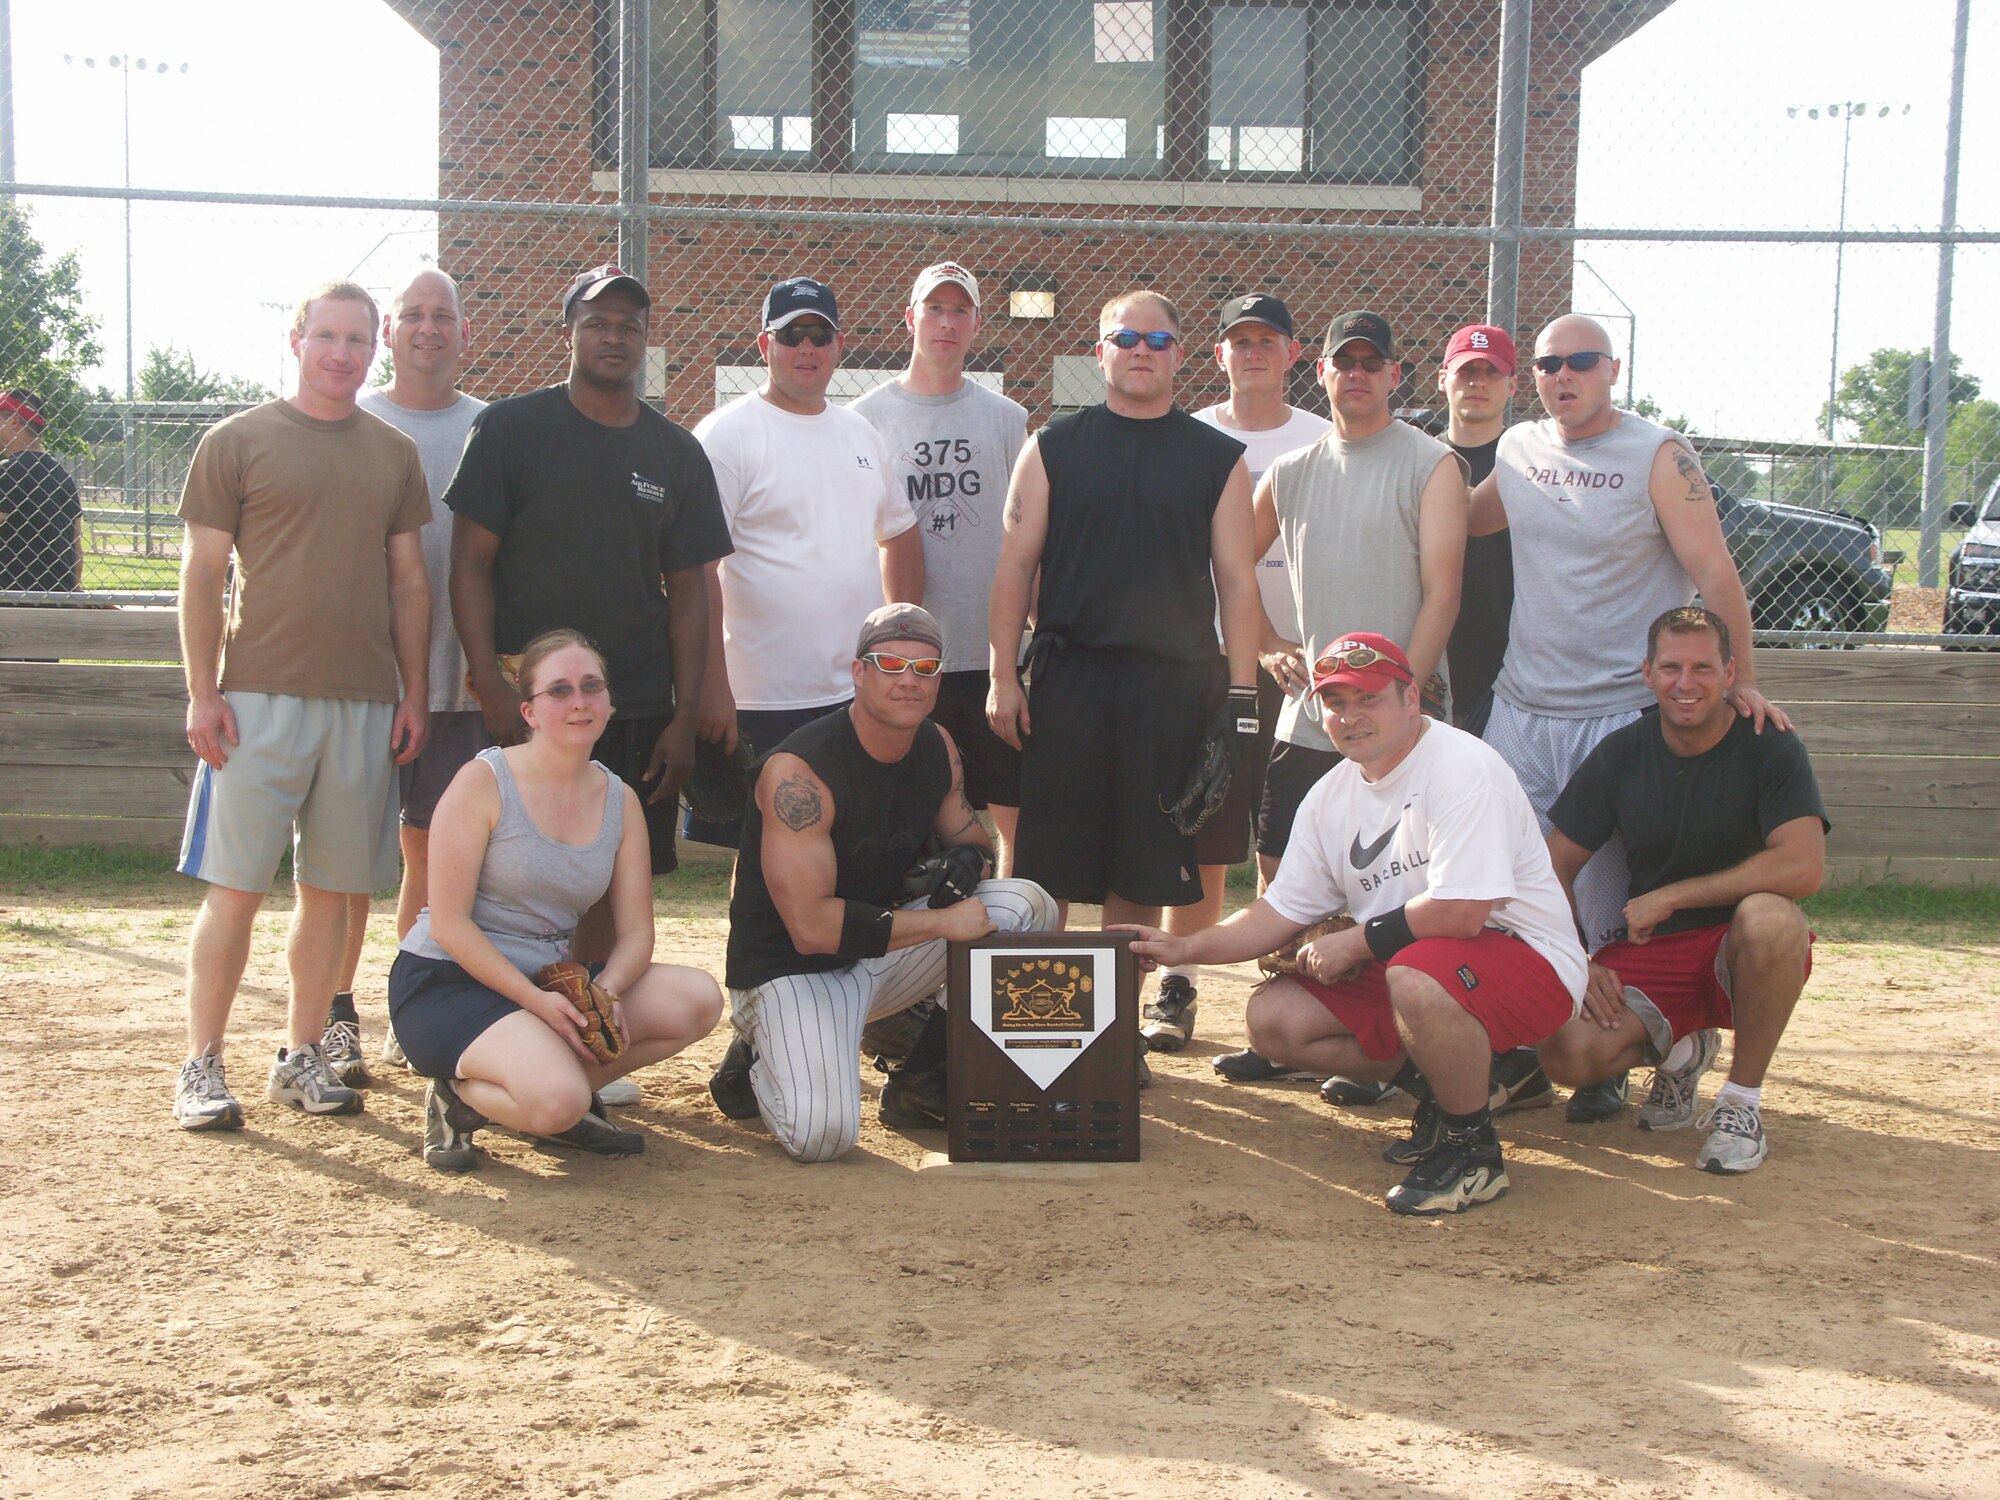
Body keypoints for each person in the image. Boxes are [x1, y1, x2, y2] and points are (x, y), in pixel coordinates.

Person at [1122, 634, 1587, 1215]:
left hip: (1529, 960)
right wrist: (1184, 946)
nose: (1350, 717)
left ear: (1411, 699)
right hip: (1418, 964)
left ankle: (1475, 1152)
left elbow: (1461, 914)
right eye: (1336, 704)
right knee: (1275, 1022)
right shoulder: (1330, 794)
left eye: (1368, 699)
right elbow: (1277, 910)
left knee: (1417, 975)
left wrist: (1356, 942)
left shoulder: (1463, 766)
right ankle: (1463, 1086)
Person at [1468, 313, 1790, 1125]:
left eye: (1580, 361)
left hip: (1616, 714)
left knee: (1609, 911)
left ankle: (1640, 1048)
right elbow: (1462, 520)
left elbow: (1714, 570)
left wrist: (1739, 678)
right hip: (1521, 708)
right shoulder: (1517, 450)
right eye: (1547, 364)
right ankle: (1522, 1054)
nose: (1562, 375)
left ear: (1613, 369)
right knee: (1507, 888)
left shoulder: (1657, 453)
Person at [171, 280, 431, 1131]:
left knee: (330, 892)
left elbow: (407, 581)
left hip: (362, 705)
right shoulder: (235, 442)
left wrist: (415, 691)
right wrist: (203, 693)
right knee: (236, 891)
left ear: (375, 347)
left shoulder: (393, 453)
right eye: (327, 335)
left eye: (359, 339)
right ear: (296, 340)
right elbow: (203, 575)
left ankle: (300, 1053)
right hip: (254, 702)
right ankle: (202, 1064)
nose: (343, 353)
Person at [447, 264, 732, 978]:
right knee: (506, 872)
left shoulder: (676, 453)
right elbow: (469, 564)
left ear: (646, 339)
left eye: (629, 325)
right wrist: (489, 680)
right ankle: (500, 1023)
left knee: (612, 875)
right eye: (598, 322)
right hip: (530, 705)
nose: (614, 336)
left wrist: (683, 714)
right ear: (568, 330)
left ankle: (590, 1024)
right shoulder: (510, 428)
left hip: (633, 700)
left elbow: (692, 591)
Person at [1211, 311, 1470, 1092]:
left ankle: (1399, 1043)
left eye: (1371, 362)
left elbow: (1444, 592)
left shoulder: (1434, 465)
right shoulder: (1290, 473)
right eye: (1341, 362)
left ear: (1396, 375)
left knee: (1403, 886)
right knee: (1278, 870)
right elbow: (1230, 568)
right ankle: (1293, 1028)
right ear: (1318, 373)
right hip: (1314, 718)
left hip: (1404, 723)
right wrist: (1262, 648)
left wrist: (1403, 705)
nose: (1356, 374)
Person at [710, 604, 1059, 1164]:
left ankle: (924, 1082)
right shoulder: (801, 772)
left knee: (1026, 905)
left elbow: (972, 840)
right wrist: (943, 921)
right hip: (790, 971)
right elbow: (810, 928)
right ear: (858, 673)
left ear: (939, 681)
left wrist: (966, 864)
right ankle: (756, 1053)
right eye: (891, 663)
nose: (908, 681)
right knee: (823, 1137)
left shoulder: (937, 745)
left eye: (924, 669)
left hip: (877, 954)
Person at [389, 629, 724, 1170]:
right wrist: (535, 1000)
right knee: (560, 1101)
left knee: (697, 999)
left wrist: (604, 992)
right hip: (449, 979)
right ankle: (459, 1094)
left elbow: (637, 933)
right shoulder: (483, 780)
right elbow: (449, 923)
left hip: (551, 983)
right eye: (560, 690)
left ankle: (542, 1086)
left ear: (610, 704)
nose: (579, 701)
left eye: (592, 687)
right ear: (530, 711)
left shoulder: (620, 799)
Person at [987, 289, 1262, 941]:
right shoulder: (1052, 446)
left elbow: (1237, 582)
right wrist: (1003, 674)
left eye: (1157, 341)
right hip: (1070, 681)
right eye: (1126, 340)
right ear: (1100, 352)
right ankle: (1036, 1022)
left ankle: (1119, 1030)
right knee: (1046, 865)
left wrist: (1241, 696)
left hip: (1172, 690)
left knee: (1142, 870)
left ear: (1180, 356)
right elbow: (1014, 568)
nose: (1142, 352)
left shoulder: (1217, 459)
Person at [1535, 607, 1826, 1174]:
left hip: (1739, 945)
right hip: (1655, 947)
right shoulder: (1622, 752)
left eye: (1702, 668)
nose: (1685, 683)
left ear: (1730, 671)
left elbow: (1803, 868)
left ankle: (1740, 1104)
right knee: (1565, 1053)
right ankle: (1685, 1050)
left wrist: (1673, 896)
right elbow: (1553, 865)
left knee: (1772, 918)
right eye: (1670, 667)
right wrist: (1574, 958)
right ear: (1647, 673)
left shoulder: (1770, 744)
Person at [1136, 293, 1334, 1057]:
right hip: (1208, 664)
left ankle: (1290, 986)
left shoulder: (1323, 437)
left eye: (1268, 341)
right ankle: (1177, 985)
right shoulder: (1189, 438)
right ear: (1216, 354)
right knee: (1204, 838)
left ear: (1292, 355)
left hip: (1309, 672)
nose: (1252, 352)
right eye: (1238, 341)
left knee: (1296, 839)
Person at [314, 269, 488, 1081]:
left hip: (456, 681)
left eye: (441, 316)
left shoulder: (494, 427)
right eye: (412, 315)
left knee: (429, 852)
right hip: (361, 680)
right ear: (390, 333)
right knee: (347, 857)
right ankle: (334, 1008)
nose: (427, 328)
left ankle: (409, 1003)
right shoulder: (355, 417)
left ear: (463, 332)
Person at [688, 277, 923, 850]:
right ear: (766, 347)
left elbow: (900, 535)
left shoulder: (859, 432)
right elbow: (697, 571)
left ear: (840, 346)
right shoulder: (727, 435)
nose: (808, 348)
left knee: (851, 846)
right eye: (792, 335)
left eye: (821, 334)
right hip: (761, 697)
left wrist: (900, 649)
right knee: (763, 851)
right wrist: (711, 687)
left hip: (853, 694)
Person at [850, 261, 1029, 874]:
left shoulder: (1007, 419)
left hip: (988, 650)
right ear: (911, 318)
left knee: (1011, 804)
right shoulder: (867, 417)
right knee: (902, 803)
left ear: (976, 324)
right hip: (905, 655)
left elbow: (1025, 533)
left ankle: (1009, 924)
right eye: (934, 309)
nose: (946, 323)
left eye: (959, 311)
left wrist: (1020, 643)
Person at [1437, 323, 1518, 734]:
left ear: (1513, 385)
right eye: (1467, 371)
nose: (1478, 383)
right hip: (1434, 661)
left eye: (1492, 373)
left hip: (1511, 668)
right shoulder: (1420, 459)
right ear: (1443, 379)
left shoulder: (1531, 461)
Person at [0, 389, 81, 595]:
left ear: (14, 422)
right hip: (58, 596)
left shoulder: (9, 471)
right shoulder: (61, 475)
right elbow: (76, 547)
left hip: (13, 599)